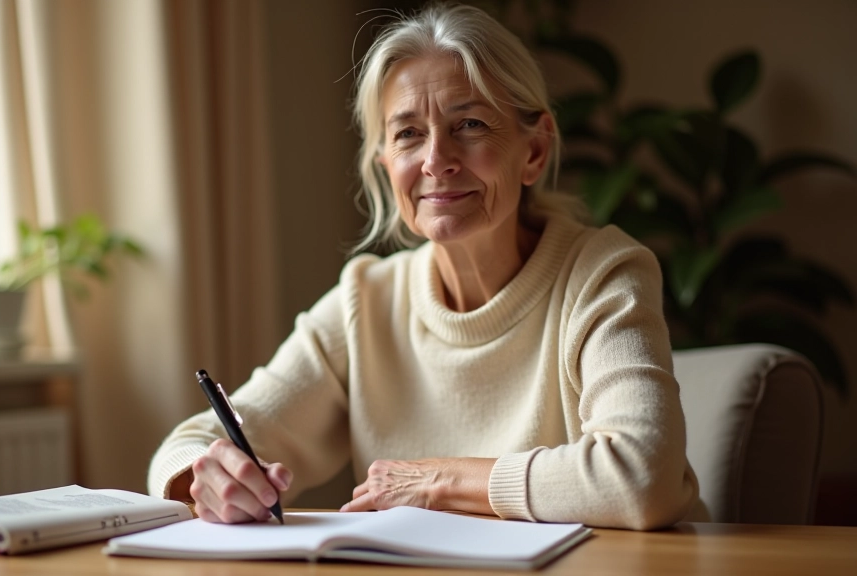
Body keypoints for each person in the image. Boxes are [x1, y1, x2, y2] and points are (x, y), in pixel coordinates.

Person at [148, 3, 700, 530]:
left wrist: (436, 480)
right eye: (409, 133)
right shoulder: (366, 299)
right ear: (386, 164)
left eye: (471, 125)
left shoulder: (603, 273)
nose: (437, 159)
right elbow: (194, 442)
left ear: (533, 151)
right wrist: (205, 480)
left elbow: (641, 474)